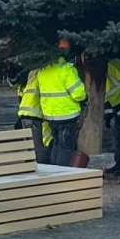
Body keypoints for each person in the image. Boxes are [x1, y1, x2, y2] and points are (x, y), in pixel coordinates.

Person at [36, 38, 87, 167]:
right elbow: (79, 95)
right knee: (65, 148)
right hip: (67, 115)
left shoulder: (43, 70)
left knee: (56, 145)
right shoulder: (67, 70)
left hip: (50, 115)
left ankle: (54, 174)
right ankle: (61, 176)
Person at [16, 67, 51, 165]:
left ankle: (30, 165)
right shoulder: (42, 73)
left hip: (24, 114)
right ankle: (39, 167)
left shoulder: (31, 73)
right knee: (38, 147)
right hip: (34, 115)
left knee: (28, 145)